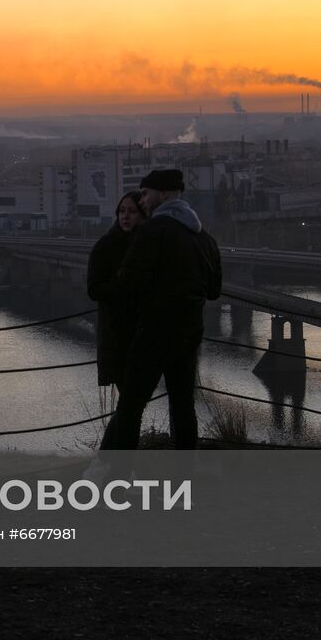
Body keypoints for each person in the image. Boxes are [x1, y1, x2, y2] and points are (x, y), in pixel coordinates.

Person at [98, 169, 222, 450]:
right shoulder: (205, 238)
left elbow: (129, 282)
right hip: (190, 333)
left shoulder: (153, 230)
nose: (141, 199)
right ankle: (182, 480)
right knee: (183, 406)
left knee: (131, 408)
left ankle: (120, 481)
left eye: (145, 193)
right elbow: (213, 290)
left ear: (163, 194)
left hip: (154, 332)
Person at [86, 190, 146, 400]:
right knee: (131, 401)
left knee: (134, 402)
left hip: (145, 334)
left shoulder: (149, 244)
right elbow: (94, 289)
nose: (125, 216)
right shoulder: (105, 246)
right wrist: (123, 288)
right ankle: (118, 435)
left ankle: (120, 434)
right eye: (121, 211)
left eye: (132, 211)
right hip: (117, 334)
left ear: (143, 214)